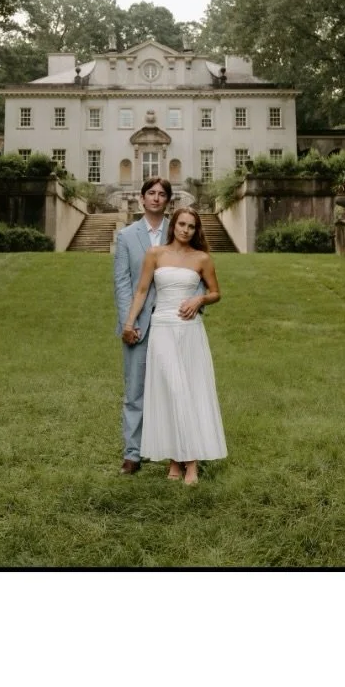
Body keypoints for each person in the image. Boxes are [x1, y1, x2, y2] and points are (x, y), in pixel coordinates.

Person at [122, 207, 226, 485]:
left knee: (188, 390)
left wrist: (199, 300)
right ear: (173, 225)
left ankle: (183, 463)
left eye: (191, 226)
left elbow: (216, 292)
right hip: (162, 329)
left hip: (190, 331)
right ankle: (181, 460)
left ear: (196, 230)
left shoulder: (202, 258)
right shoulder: (155, 254)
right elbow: (142, 291)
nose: (185, 230)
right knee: (171, 390)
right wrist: (129, 324)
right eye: (181, 224)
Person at [113, 178, 208, 475]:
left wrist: (196, 303)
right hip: (141, 322)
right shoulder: (128, 236)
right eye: (151, 194)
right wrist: (128, 322)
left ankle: (180, 451)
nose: (156, 198)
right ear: (141, 199)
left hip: (175, 321)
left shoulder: (180, 228)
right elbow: (124, 283)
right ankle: (132, 453)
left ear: (168, 200)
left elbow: (200, 274)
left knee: (180, 387)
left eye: (162, 194)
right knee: (135, 388)